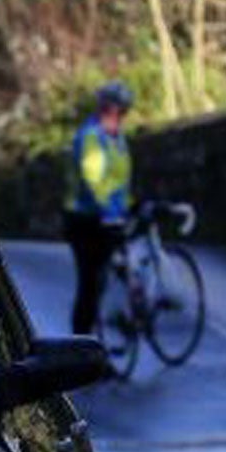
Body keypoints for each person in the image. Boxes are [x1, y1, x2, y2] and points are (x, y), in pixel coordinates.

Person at [64, 80, 134, 336]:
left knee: (104, 281)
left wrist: (130, 206)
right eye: (113, 110)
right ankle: (81, 346)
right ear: (104, 109)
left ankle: (103, 338)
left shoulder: (117, 138)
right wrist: (110, 211)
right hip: (84, 220)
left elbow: (119, 182)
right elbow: (93, 179)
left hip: (108, 217)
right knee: (90, 285)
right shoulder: (91, 135)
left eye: (122, 111)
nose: (117, 116)